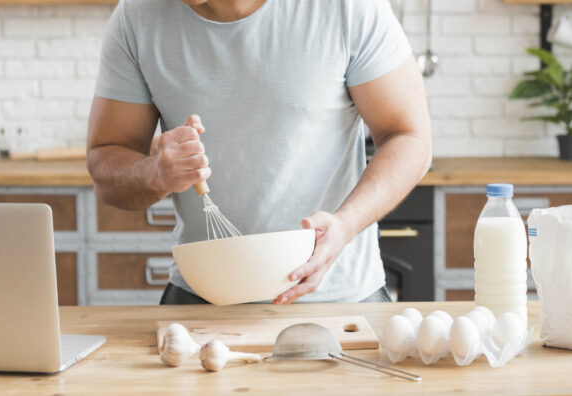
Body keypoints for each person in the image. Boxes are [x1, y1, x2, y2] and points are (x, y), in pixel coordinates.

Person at [86, 0, 432, 305]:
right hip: (202, 299)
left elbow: (409, 136)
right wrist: (154, 174)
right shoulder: (137, 16)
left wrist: (345, 224)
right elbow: (107, 161)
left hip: (340, 300)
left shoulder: (346, 6)